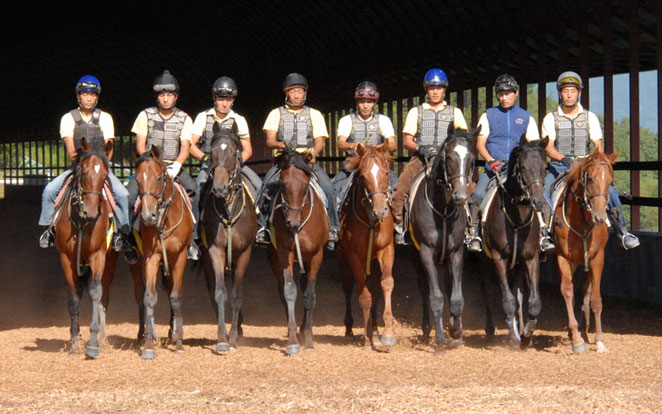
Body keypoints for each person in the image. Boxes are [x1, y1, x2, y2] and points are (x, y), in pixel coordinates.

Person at [38, 75, 136, 263]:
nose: (89, 98)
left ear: (97, 97)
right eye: (85, 94)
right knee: (49, 190)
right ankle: (49, 230)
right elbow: (71, 149)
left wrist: (100, 166)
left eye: (92, 95)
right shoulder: (68, 118)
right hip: (79, 166)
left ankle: (121, 234)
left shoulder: (105, 118)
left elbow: (108, 147)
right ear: (78, 96)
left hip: (100, 168)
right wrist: (84, 165)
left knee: (122, 195)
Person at [542, 71, 639, 249]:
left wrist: (592, 163)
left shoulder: (590, 117)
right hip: (560, 167)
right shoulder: (551, 118)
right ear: (560, 93)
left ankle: (622, 231)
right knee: (544, 191)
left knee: (610, 191)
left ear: (579, 93)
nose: (569, 95)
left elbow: (598, 146)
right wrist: (564, 159)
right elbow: (548, 147)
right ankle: (545, 234)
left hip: (585, 166)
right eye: (565, 91)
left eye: (573, 91)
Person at [467, 74, 555, 253]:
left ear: (516, 93)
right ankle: (473, 234)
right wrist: (491, 161)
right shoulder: (488, 115)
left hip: (519, 170)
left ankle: (544, 233)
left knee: (541, 196)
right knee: (477, 194)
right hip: (494, 169)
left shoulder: (526, 117)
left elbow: (534, 147)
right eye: (500, 94)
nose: (503, 98)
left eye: (507, 93)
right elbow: (480, 144)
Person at [255, 73, 339, 249]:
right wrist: (279, 144)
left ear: (304, 93)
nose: (296, 95)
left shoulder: (314, 114)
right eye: (292, 91)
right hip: (284, 160)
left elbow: (319, 141)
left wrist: (314, 153)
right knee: (266, 187)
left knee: (329, 189)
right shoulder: (275, 113)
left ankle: (332, 227)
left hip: (305, 160)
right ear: (287, 93)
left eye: (299, 91)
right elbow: (269, 141)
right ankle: (263, 227)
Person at [126, 70, 199, 259]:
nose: (165, 99)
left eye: (169, 95)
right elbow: (140, 146)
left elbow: (185, 146)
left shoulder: (184, 118)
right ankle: (128, 239)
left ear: (176, 97)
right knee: (129, 195)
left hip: (173, 166)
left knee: (194, 190)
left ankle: (193, 240)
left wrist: (177, 164)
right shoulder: (145, 115)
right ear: (157, 96)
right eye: (161, 95)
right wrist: (150, 162)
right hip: (149, 166)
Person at [392, 68, 468, 245]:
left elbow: (463, 138)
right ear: (426, 89)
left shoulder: (455, 112)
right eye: (432, 88)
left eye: (439, 88)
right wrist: (421, 148)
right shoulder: (416, 111)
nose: (435, 92)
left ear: (444, 89)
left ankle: (470, 228)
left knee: (469, 188)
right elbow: (407, 141)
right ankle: (401, 226)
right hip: (421, 159)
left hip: (448, 160)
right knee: (400, 189)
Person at [189, 76, 262, 248]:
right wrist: (205, 158)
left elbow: (248, 148)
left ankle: (262, 227)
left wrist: (238, 162)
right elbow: (191, 144)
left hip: (233, 165)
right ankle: (195, 235)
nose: (224, 103)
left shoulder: (239, 120)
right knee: (199, 189)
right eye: (221, 99)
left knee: (259, 186)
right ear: (214, 98)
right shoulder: (203, 117)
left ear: (233, 100)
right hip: (211, 164)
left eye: (228, 99)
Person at [333, 81, 397, 205]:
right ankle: (335, 215)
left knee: (398, 192)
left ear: (375, 103)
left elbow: (393, 145)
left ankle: (400, 217)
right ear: (357, 102)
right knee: (334, 192)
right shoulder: (346, 120)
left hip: (377, 164)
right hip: (353, 165)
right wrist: (353, 145)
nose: (365, 106)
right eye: (362, 102)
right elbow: (340, 144)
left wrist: (374, 149)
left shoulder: (383, 120)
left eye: (369, 102)